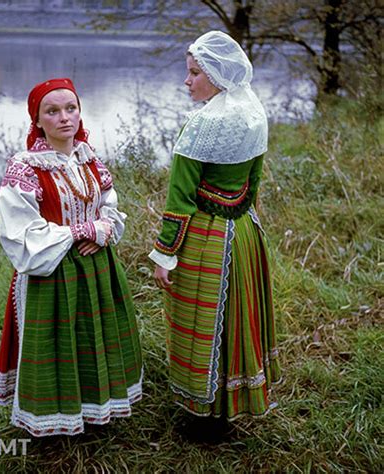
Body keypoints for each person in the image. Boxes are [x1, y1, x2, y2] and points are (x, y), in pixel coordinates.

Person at [0, 78, 142, 437]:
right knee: (58, 344)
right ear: (38, 120)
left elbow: (110, 207)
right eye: (52, 111)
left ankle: (96, 410)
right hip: (51, 274)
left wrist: (104, 228)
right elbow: (21, 235)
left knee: (94, 337)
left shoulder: (89, 160)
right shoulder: (25, 168)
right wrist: (80, 232)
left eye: (71, 108)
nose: (64, 118)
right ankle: (54, 421)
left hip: (97, 269)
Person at [149, 31, 281, 434]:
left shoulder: (202, 123)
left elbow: (181, 198)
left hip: (207, 238)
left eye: (194, 73)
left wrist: (165, 254)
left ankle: (200, 414)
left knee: (201, 322)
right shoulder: (253, 113)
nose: (187, 81)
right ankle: (233, 401)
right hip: (243, 232)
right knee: (237, 317)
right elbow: (253, 184)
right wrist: (244, 225)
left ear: (218, 76)